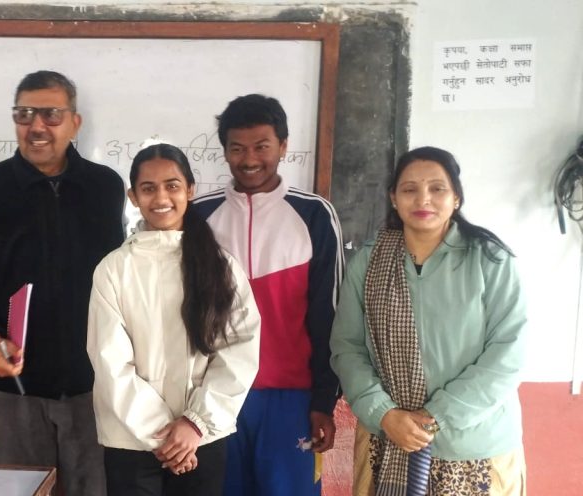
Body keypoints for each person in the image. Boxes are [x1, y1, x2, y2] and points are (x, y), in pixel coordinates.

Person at [0, 70, 125, 495]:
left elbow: (122, 281)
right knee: (24, 491)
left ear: (75, 122)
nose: (37, 126)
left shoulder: (105, 188)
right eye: (24, 114)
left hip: (93, 386)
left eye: (51, 114)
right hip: (15, 388)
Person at [330, 146, 527, 495]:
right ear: (393, 198)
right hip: (386, 438)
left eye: (437, 188)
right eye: (409, 189)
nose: (423, 199)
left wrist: (436, 418)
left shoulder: (490, 260)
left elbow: (509, 354)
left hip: (473, 447)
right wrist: (385, 414)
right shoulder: (369, 262)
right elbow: (347, 347)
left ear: (456, 198)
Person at [88, 143, 261, 496]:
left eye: (172, 185)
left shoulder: (221, 267)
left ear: (190, 190)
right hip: (131, 442)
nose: (161, 197)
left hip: (202, 439)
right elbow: (110, 362)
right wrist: (167, 436)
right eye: (148, 188)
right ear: (133, 196)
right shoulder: (113, 270)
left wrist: (195, 425)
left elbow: (240, 351)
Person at [191, 94, 344, 495]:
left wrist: (323, 401)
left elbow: (329, 316)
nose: (249, 159)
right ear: (224, 151)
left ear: (283, 146)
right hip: (216, 396)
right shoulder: (199, 217)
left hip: (291, 400)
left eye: (262, 146)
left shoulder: (314, 215)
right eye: (237, 149)